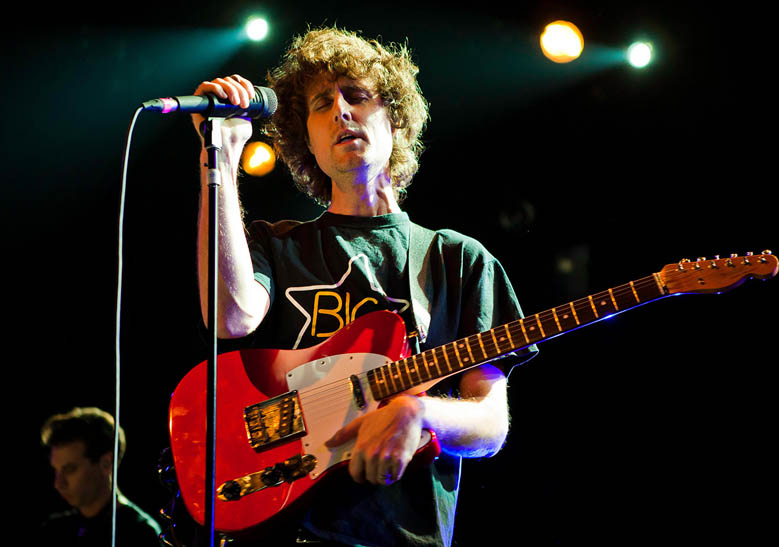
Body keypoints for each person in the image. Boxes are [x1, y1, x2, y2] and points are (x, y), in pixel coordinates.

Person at [192, 27, 537, 546]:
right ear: (304, 140)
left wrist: (418, 410)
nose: (340, 111)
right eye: (320, 105)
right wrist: (218, 158)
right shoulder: (275, 244)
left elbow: (489, 426)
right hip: (283, 525)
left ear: (394, 118)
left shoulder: (457, 260)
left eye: (357, 95)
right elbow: (229, 316)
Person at [40, 407, 162, 546]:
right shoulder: (55, 531)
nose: (58, 483)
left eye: (70, 469)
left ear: (106, 464)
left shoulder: (140, 534)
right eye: (56, 470)